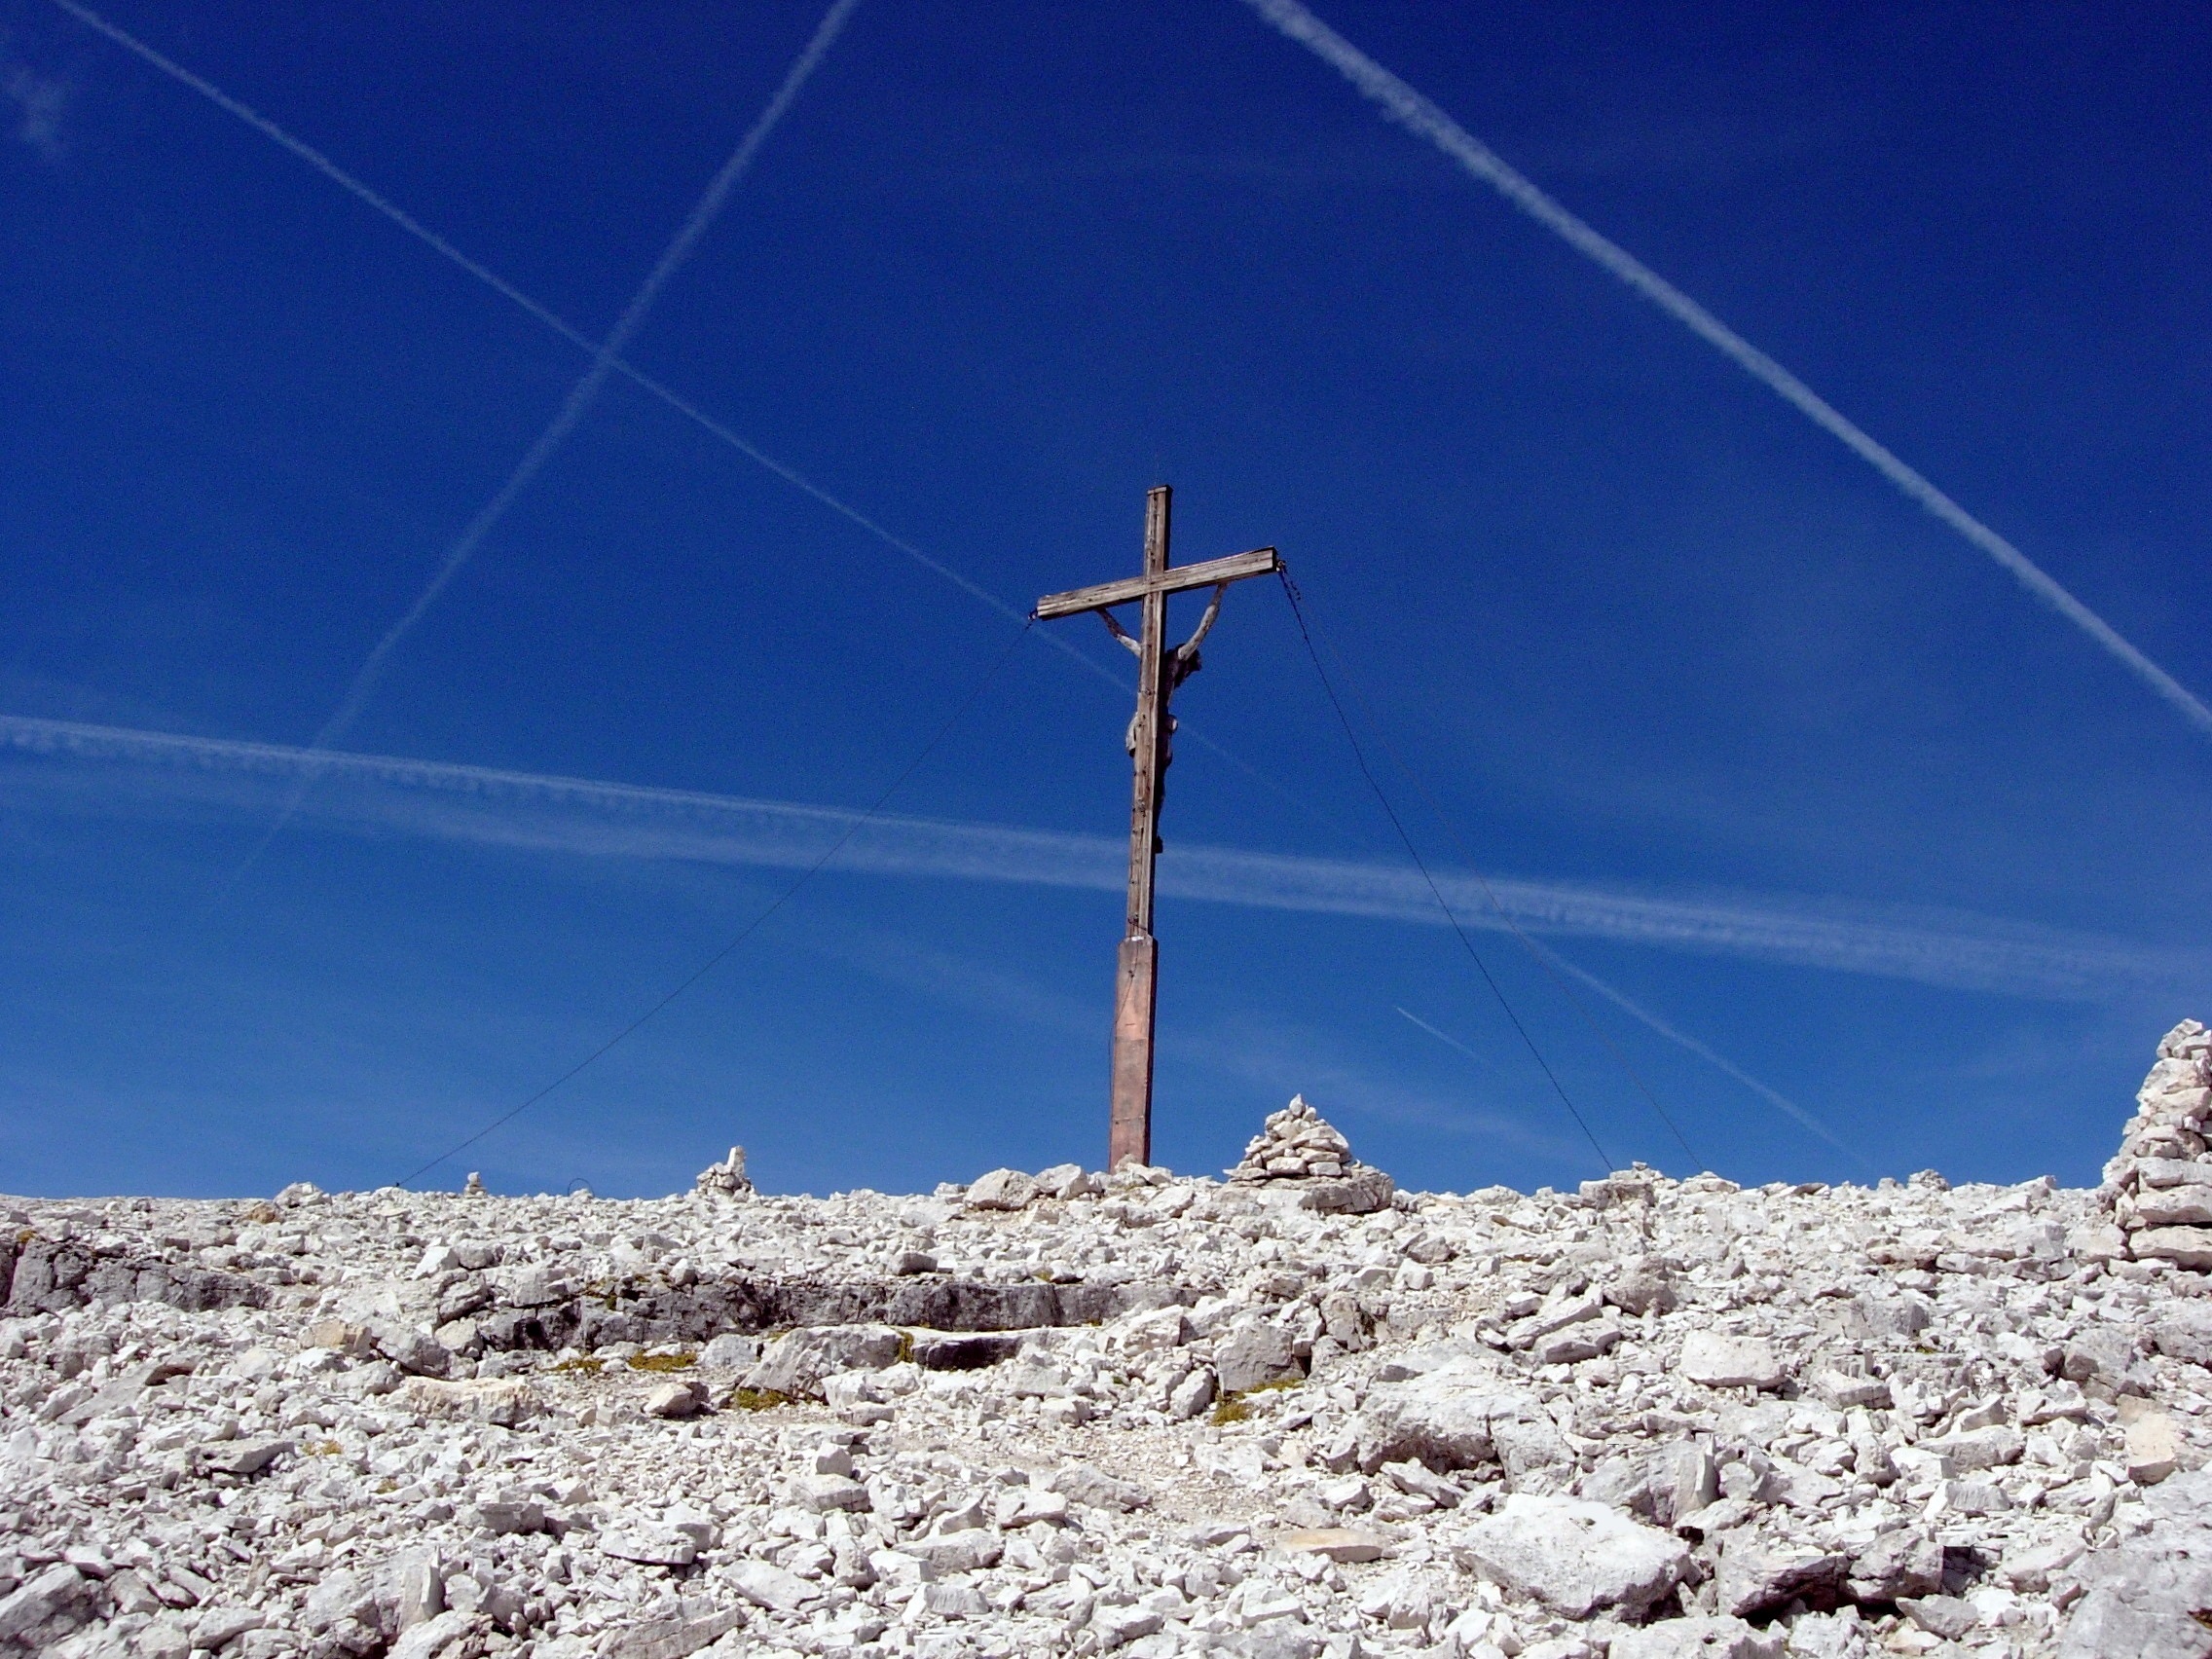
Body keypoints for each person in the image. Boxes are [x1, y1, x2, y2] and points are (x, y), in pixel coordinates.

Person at [1099, 582, 1228, 852]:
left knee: (1155, 785)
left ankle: (1150, 831)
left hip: (1153, 723)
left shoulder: (1149, 657)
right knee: (1152, 784)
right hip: (1151, 724)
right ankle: (1148, 831)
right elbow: (1202, 630)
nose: (1189, 675)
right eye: (1192, 669)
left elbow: (1120, 635)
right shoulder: (1175, 659)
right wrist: (1221, 589)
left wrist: (1102, 612)